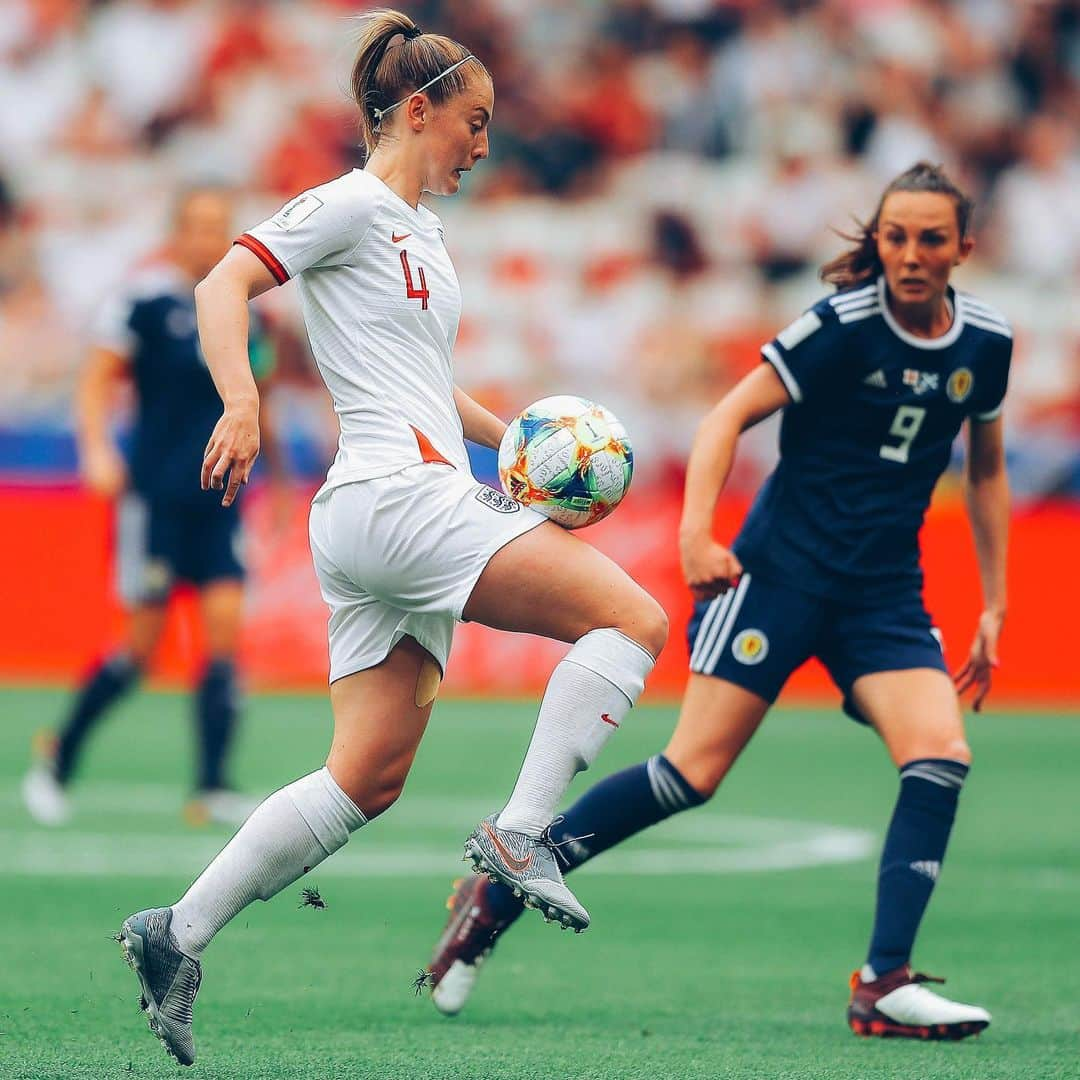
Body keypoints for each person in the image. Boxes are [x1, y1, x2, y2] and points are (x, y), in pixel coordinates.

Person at [114, 11, 667, 1068]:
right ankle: (523, 834)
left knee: (365, 777)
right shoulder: (354, 203)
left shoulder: (419, 232)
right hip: (398, 498)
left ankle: (175, 933)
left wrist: (526, 443)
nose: (484, 144)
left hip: (383, 509)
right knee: (632, 618)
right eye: (475, 122)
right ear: (419, 111)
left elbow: (422, 383)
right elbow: (223, 280)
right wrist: (240, 401)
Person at [425, 162, 1010, 1042]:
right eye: (896, 237)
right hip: (777, 577)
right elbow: (724, 419)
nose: (912, 254)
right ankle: (498, 894)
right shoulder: (840, 327)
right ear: (878, 242)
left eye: (932, 239)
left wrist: (995, 603)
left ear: (965, 246)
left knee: (940, 755)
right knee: (691, 773)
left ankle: (882, 984)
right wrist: (698, 533)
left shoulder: (985, 344)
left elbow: (990, 470)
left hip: (883, 593)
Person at [21, 186, 279, 829]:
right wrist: (96, 448)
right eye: (196, 225)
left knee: (224, 640)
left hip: (220, 498)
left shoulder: (248, 308)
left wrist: (278, 480)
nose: (207, 236)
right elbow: (95, 379)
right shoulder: (145, 301)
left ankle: (213, 784)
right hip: (157, 499)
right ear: (176, 232)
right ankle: (57, 758)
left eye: (219, 225)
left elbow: (258, 398)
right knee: (139, 650)